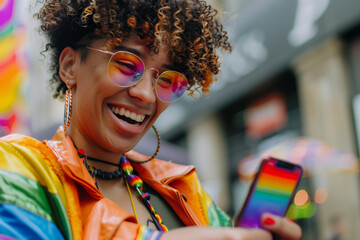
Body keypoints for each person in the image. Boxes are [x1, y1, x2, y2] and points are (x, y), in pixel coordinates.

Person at [0, 0, 302, 239]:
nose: (146, 94)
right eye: (125, 64)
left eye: (168, 79)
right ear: (69, 66)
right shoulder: (19, 168)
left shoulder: (184, 190)